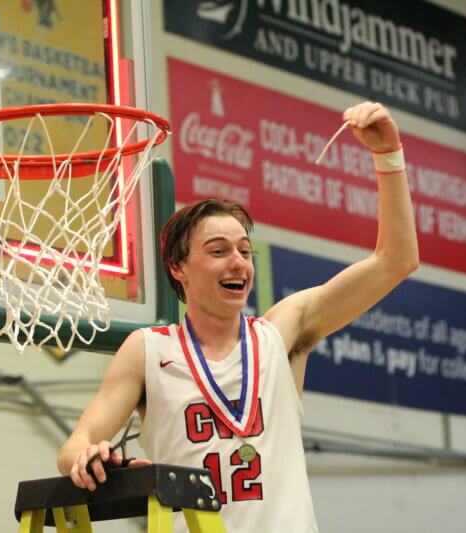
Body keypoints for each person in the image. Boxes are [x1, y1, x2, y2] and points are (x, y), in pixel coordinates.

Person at [57, 101, 418, 531]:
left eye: (245, 251)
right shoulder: (149, 350)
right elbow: (76, 443)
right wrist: (85, 456)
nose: (238, 263)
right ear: (178, 267)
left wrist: (388, 153)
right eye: (218, 251)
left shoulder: (283, 330)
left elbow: (396, 260)